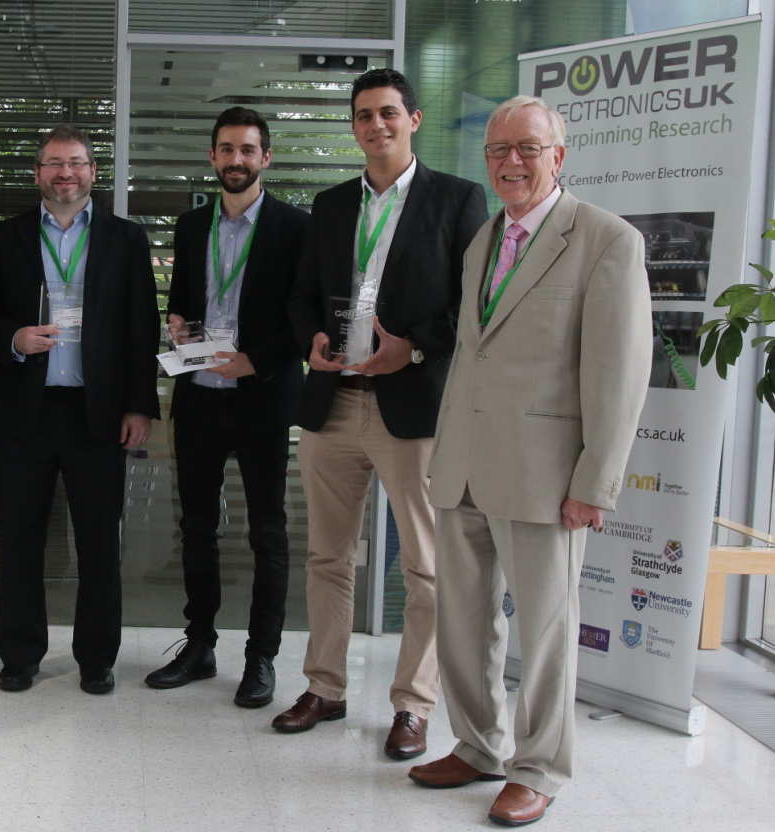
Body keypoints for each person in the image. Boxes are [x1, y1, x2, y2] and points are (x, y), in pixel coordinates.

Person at [409, 95, 651, 827]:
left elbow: (619, 371)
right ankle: (478, 746)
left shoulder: (606, 240)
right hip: (464, 469)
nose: (511, 161)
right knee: (463, 622)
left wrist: (595, 484)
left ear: (560, 156)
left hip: (547, 479)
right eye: (498, 150)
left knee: (545, 631)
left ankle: (539, 767)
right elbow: (475, 358)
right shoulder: (484, 239)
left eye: (528, 148)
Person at [278, 68, 487, 758]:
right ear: (354, 126)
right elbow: (304, 294)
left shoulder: (457, 201)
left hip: (411, 407)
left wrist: (416, 350)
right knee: (327, 556)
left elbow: (474, 306)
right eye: (364, 115)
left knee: (425, 567)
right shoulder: (332, 204)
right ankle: (326, 686)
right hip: (333, 403)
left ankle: (413, 705)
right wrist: (310, 335)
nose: (377, 126)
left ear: (414, 120)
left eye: (389, 113)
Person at [0, 125, 159, 695]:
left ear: (92, 172)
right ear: (37, 174)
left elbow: (141, 326)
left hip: (97, 413)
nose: (65, 174)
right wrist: (13, 337)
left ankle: (97, 657)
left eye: (75, 163)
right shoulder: (5, 237)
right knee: (20, 539)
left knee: (99, 541)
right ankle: (20, 654)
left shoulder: (126, 239)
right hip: (24, 414)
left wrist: (139, 405)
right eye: (53, 163)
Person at [143, 107, 308, 709]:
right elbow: (184, 298)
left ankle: (261, 657)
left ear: (266, 157)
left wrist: (254, 360)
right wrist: (178, 321)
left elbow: (304, 315)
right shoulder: (191, 227)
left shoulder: (296, 227)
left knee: (268, 531)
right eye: (226, 149)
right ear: (212, 157)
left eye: (248, 150)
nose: (236, 160)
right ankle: (200, 644)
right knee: (197, 527)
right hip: (199, 398)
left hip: (260, 400)